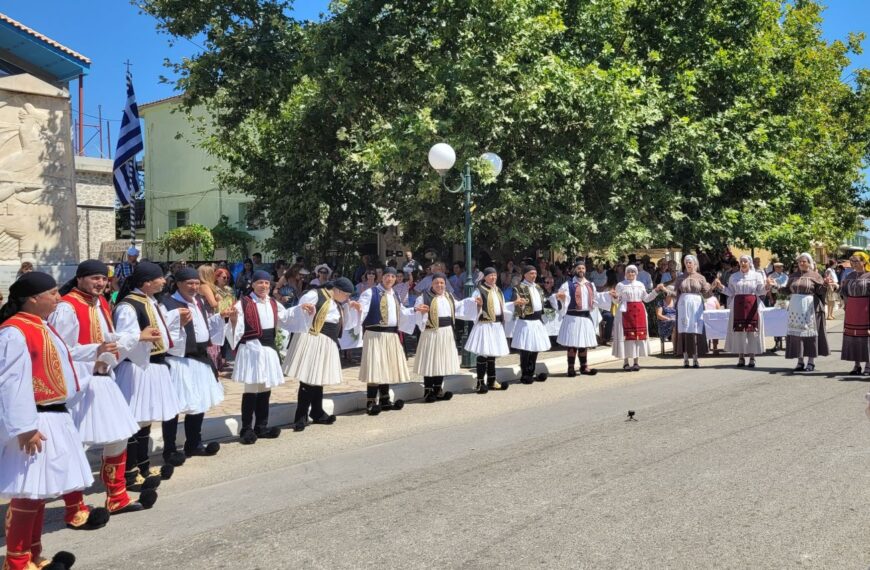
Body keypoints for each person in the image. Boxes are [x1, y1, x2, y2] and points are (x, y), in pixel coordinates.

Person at [50, 260, 155, 530]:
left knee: (119, 435)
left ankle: (117, 495)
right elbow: (60, 351)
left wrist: (132, 340)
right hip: (79, 383)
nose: (100, 283)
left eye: (103, 278)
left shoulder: (100, 303)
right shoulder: (66, 307)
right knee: (75, 444)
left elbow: (110, 338)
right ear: (80, 278)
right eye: (95, 278)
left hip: (103, 379)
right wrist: (96, 351)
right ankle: (75, 507)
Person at [0, 272, 91, 570]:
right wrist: (25, 427)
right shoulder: (14, 331)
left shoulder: (42, 326)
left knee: (40, 492)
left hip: (53, 416)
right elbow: (11, 383)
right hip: (33, 421)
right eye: (52, 293)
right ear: (33, 298)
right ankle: (16, 560)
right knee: (27, 494)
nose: (58, 297)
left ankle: (33, 554)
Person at [113, 262, 186, 487]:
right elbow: (125, 338)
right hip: (137, 368)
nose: (164, 281)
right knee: (136, 420)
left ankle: (143, 464)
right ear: (146, 283)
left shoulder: (151, 301)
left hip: (153, 367)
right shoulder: (129, 306)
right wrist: (141, 337)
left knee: (145, 421)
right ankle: (129, 470)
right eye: (160, 278)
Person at [161, 268, 231, 457]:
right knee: (174, 406)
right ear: (178, 284)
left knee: (198, 403)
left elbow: (204, 326)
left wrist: (221, 317)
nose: (194, 287)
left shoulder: (198, 301)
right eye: (189, 283)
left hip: (199, 358)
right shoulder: (167, 303)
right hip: (179, 359)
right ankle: (169, 449)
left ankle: (194, 443)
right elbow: (163, 330)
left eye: (196, 283)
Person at [282, 278, 359, 431]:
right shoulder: (315, 294)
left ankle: (317, 412)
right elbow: (299, 312)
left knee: (318, 378)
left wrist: (351, 309)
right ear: (337, 290)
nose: (347, 298)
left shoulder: (337, 303)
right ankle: (301, 416)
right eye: (346, 295)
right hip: (313, 338)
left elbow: (346, 325)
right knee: (309, 379)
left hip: (327, 341)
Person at [226, 270, 291, 444]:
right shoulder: (244, 303)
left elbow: (287, 318)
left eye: (267, 283)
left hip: (268, 348)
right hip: (252, 349)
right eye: (260, 283)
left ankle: (261, 427)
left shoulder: (274, 303)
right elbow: (236, 329)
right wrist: (232, 321)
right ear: (253, 284)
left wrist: (303, 310)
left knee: (265, 388)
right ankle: (246, 428)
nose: (263, 286)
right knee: (251, 389)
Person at [355, 268, 417, 414]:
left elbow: (401, 312)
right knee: (375, 367)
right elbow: (362, 310)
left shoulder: (394, 294)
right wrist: (357, 309)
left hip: (391, 335)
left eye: (393, 276)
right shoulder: (371, 292)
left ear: (396, 279)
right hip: (375, 335)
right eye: (387, 276)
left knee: (386, 366)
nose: (390, 279)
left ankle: (384, 399)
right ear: (381, 277)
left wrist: (415, 310)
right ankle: (370, 401)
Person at [412, 273, 465, 402]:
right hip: (431, 332)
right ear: (432, 284)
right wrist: (420, 312)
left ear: (445, 284)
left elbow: (459, 307)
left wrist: (474, 302)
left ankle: (438, 389)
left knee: (441, 360)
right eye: (437, 283)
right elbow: (416, 311)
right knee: (430, 360)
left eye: (442, 283)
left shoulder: (449, 296)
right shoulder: (424, 297)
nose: (439, 285)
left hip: (446, 332)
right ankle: (428, 391)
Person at [462, 267, 512, 393]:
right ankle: (480, 382)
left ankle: (492, 380)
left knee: (492, 354)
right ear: (485, 277)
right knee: (483, 353)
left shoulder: (498, 290)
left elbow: (503, 306)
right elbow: (472, 304)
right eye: (490, 276)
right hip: (485, 324)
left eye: (495, 275)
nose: (493, 278)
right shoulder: (479, 290)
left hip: (496, 325)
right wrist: (477, 305)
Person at [715, 255, 769, 368]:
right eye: (741, 261)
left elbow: (760, 291)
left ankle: (752, 357)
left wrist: (767, 286)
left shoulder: (757, 276)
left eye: (745, 261)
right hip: (738, 306)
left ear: (749, 263)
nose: (743, 263)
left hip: (753, 305)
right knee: (739, 331)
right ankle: (740, 357)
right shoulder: (734, 276)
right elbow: (730, 292)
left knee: (752, 331)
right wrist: (721, 287)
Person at [782, 253, 831, 372]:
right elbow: (787, 290)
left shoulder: (815, 275)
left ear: (809, 262)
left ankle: (811, 362)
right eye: (799, 262)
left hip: (812, 309)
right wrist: (773, 286)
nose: (801, 263)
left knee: (810, 335)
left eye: (804, 261)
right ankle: (800, 361)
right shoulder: (793, 276)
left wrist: (825, 284)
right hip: (796, 308)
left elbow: (820, 292)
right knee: (798, 335)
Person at [552, 261, 600, 376]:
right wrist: (561, 297)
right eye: (579, 268)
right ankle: (570, 368)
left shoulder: (590, 285)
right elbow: (559, 297)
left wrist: (609, 294)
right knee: (572, 344)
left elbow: (597, 298)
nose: (581, 270)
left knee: (584, 343)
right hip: (572, 317)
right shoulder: (568, 284)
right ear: (574, 270)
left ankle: (584, 367)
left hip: (585, 317)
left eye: (583, 268)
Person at [612, 265, 663, 371]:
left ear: (636, 273)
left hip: (639, 312)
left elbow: (647, 298)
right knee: (625, 337)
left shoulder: (640, 284)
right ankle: (626, 362)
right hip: (625, 313)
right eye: (629, 272)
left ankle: (636, 362)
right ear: (625, 273)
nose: (631, 274)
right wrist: (615, 297)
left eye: (633, 272)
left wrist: (656, 291)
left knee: (637, 338)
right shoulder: (620, 285)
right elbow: (616, 301)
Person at [511, 266, 551, 384]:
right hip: (526, 322)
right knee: (526, 349)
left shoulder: (538, 287)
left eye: (535, 273)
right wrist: (519, 304)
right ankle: (525, 373)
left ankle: (531, 371)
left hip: (537, 321)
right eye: (531, 273)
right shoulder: (518, 288)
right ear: (525, 275)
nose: (534, 276)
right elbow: (515, 303)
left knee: (535, 348)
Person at [672, 255, 713, 368]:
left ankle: (695, 358)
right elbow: (676, 293)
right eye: (686, 262)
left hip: (696, 304)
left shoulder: (700, 277)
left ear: (695, 264)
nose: (688, 264)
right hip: (683, 305)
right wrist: (666, 291)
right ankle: (685, 358)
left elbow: (706, 294)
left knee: (695, 330)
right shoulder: (680, 277)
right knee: (684, 331)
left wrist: (712, 287)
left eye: (690, 262)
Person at [840, 252, 869, 376]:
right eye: (852, 261)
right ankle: (856, 365)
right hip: (852, 309)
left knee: (866, 336)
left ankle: (868, 365)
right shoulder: (849, 275)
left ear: (864, 261)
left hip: (866, 308)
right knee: (853, 337)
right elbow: (843, 292)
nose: (854, 263)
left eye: (856, 261)